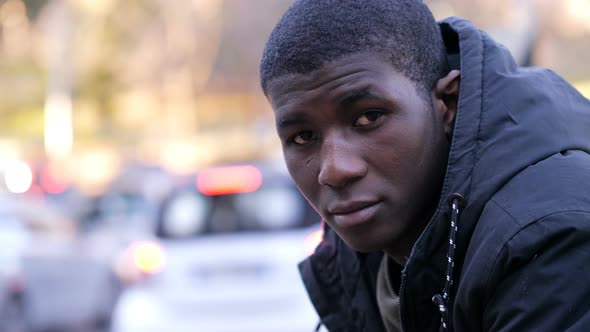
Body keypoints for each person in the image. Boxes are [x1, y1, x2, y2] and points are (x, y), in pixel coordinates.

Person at [259, 0, 590, 331]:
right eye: (302, 138)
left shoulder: (550, 238)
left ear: (447, 103)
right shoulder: (364, 260)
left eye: (368, 117)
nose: (333, 170)